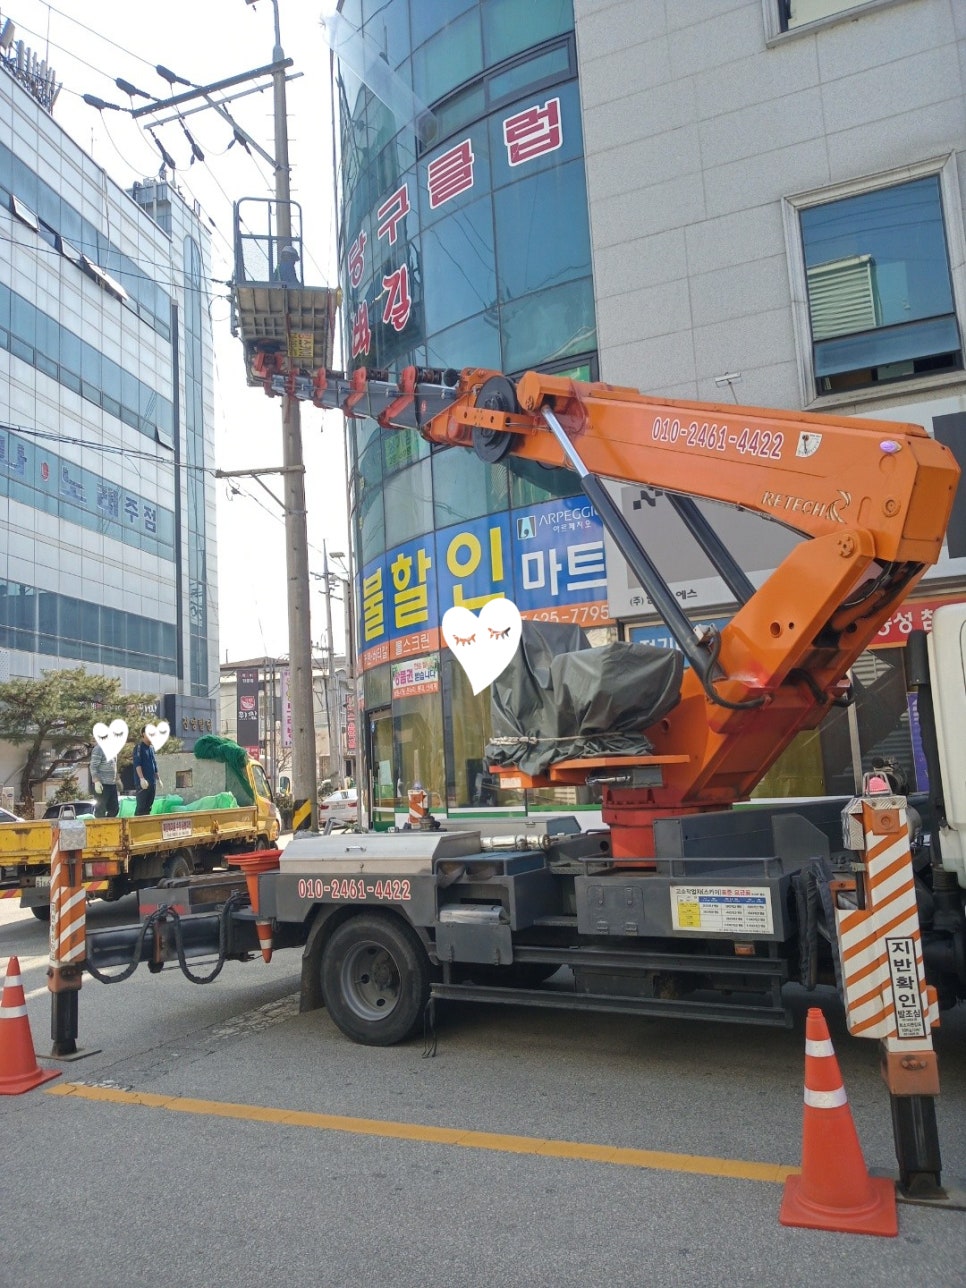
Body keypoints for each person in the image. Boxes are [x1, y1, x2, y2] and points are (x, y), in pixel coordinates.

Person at [133, 726, 161, 816]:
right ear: (144, 734)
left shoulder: (151, 748)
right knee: (141, 807)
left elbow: (154, 764)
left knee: (148, 806)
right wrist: (141, 778)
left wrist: (158, 779)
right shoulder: (139, 747)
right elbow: (137, 764)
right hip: (143, 783)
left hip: (152, 782)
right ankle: (137, 824)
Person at [90, 741, 119, 818]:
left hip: (112, 784)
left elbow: (114, 766)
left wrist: (118, 780)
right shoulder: (99, 748)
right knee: (100, 810)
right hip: (102, 785)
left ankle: (109, 824)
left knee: (114, 809)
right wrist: (96, 781)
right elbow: (93, 766)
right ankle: (100, 825)